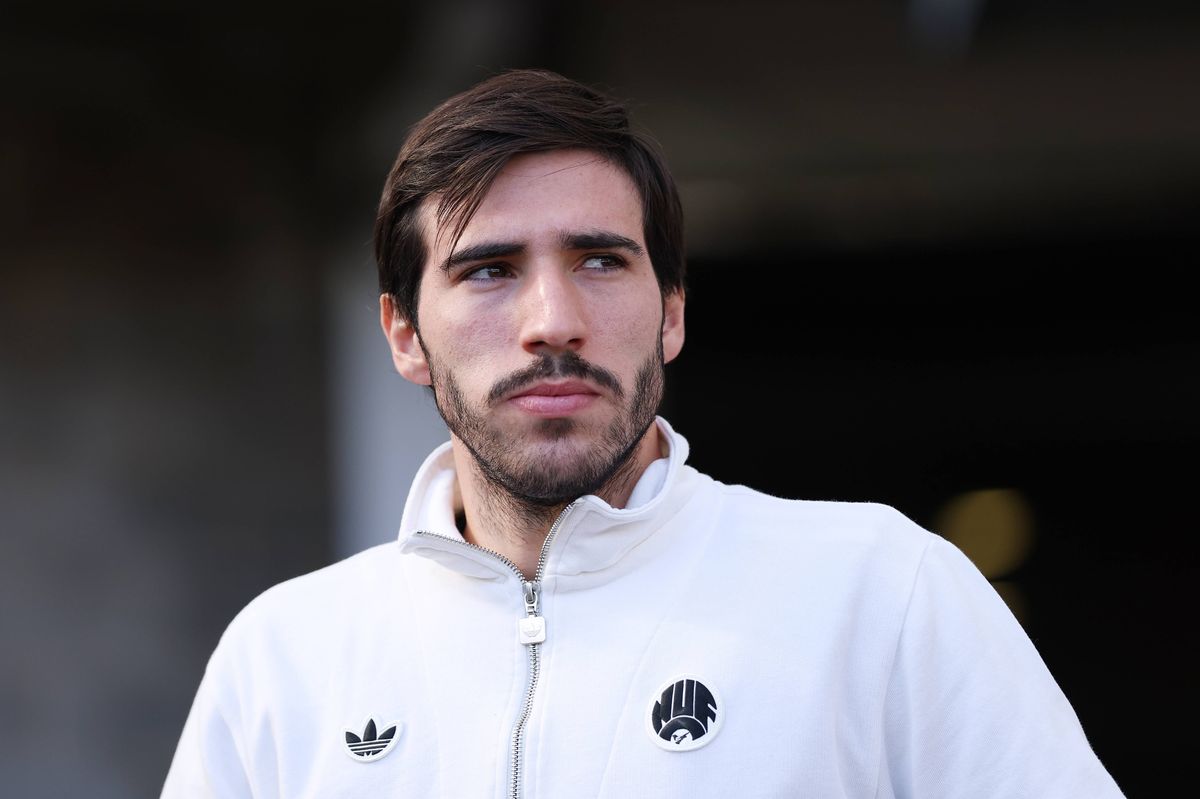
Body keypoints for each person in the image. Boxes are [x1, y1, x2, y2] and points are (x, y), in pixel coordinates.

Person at [162, 69, 1124, 798]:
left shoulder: (882, 592)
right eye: (490, 270)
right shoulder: (287, 658)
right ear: (406, 334)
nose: (553, 319)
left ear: (670, 313)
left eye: (600, 261)